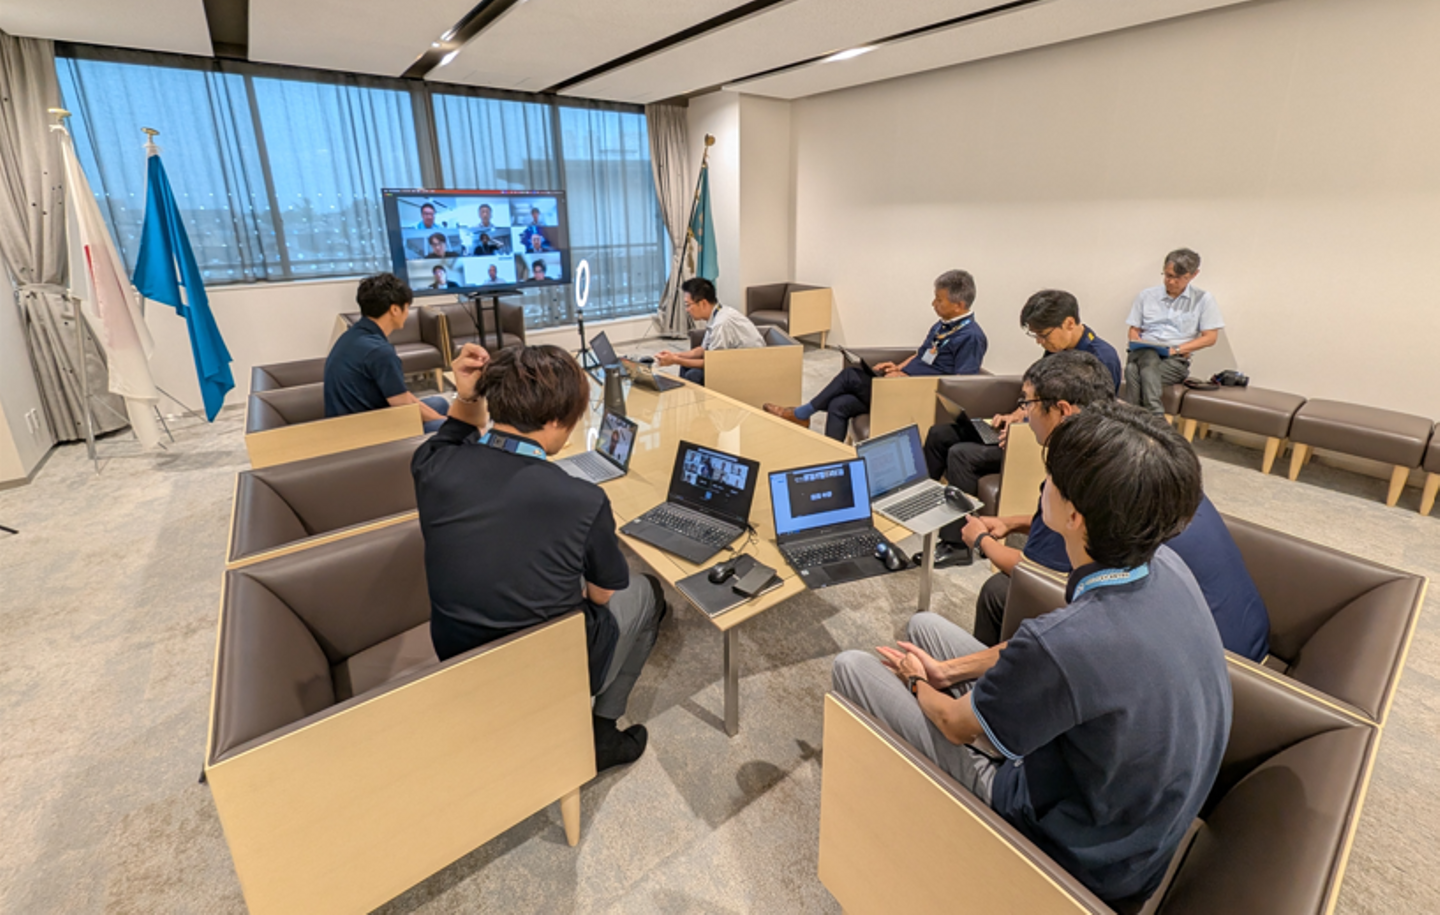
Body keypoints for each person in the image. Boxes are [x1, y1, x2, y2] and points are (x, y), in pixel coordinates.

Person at [831, 401, 1231, 910]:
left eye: (1051, 480)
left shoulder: (1068, 642)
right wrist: (946, 671)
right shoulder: (1163, 566)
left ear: (1074, 515)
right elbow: (1047, 653)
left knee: (853, 667)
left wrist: (916, 680)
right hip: (1130, 822)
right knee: (924, 626)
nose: (1044, 486)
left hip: (1074, 849)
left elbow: (956, 724)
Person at [412, 344, 666, 772]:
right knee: (648, 592)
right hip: (547, 669)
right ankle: (602, 734)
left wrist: (468, 394)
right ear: (553, 420)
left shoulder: (433, 465)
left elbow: (455, 430)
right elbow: (602, 595)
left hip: (457, 653)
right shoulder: (582, 500)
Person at [955, 350, 1269, 661]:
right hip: (1246, 635)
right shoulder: (1135, 446)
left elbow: (1040, 573)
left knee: (1000, 591)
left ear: (1062, 410)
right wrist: (1012, 522)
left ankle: (991, 686)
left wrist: (981, 541)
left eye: (1028, 403)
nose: (1024, 413)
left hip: (1214, 661)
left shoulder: (1086, 470)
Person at [921, 289, 1120, 566]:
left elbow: (1085, 424)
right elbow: (1039, 395)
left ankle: (956, 545)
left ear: (1069, 323)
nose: (1040, 342)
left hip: (1040, 444)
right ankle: (922, 507)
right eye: (1035, 335)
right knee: (941, 434)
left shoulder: (1101, 359)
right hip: (1027, 429)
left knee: (961, 454)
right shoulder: (1056, 349)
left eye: (1043, 335)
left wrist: (1021, 434)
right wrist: (1016, 414)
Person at [765, 269, 986, 441]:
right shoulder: (943, 325)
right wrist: (899, 367)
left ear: (959, 305)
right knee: (839, 404)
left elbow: (960, 386)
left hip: (916, 397)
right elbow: (920, 355)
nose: (933, 304)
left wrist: (908, 380)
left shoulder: (972, 337)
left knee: (850, 376)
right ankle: (833, 460)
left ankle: (800, 414)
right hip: (899, 386)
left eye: (939, 300)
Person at [324, 273, 453, 433]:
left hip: (350, 420)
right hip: (365, 430)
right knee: (452, 429)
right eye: (407, 307)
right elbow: (402, 405)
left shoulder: (353, 335)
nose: (407, 313)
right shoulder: (379, 351)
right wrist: (443, 422)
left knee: (439, 403)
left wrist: (438, 417)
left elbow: (401, 394)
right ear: (395, 309)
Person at [1125, 248, 1223, 415]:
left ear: (1194, 275)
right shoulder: (1146, 296)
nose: (1170, 281)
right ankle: (1155, 416)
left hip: (1175, 360)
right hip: (1142, 353)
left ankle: (1131, 419)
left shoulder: (1204, 300)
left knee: (1132, 371)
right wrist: (1137, 342)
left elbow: (1210, 338)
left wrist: (1176, 350)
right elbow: (1134, 330)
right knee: (1148, 356)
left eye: (1177, 278)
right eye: (1167, 275)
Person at [654, 278, 764, 384]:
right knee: (686, 366)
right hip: (733, 362)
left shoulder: (721, 323)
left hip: (750, 368)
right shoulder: (716, 313)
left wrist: (675, 360)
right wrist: (675, 355)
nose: (687, 310)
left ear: (703, 303)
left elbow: (713, 364)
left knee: (694, 375)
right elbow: (702, 350)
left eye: (688, 305)